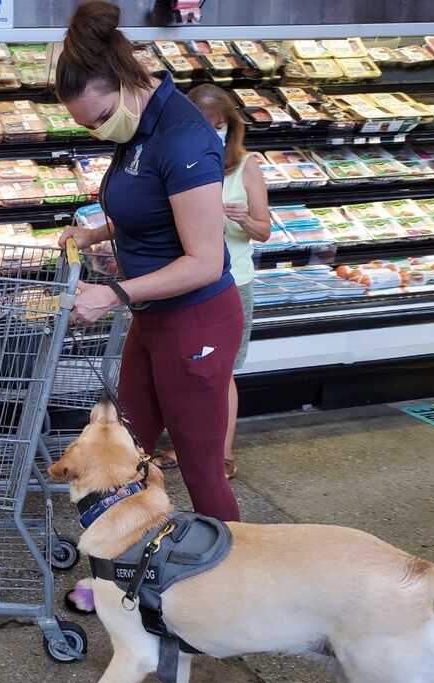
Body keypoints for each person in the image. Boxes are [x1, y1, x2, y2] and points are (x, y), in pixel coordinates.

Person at [57, 1, 243, 523]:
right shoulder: (137, 124)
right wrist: (96, 230)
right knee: (123, 446)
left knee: (202, 468)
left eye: (97, 119)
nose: (96, 132)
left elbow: (204, 261)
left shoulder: (183, 136)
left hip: (196, 321)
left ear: (121, 82)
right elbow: (152, 206)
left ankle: (234, 585)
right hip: (154, 317)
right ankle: (123, 560)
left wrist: (113, 294)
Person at [152, 85, 272, 478]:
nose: (210, 134)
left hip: (231, 284)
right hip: (185, 283)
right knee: (184, 369)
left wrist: (242, 219)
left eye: (217, 126)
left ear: (227, 125)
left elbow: (263, 231)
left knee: (220, 374)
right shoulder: (177, 160)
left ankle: (221, 455)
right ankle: (182, 446)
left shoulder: (245, 166)